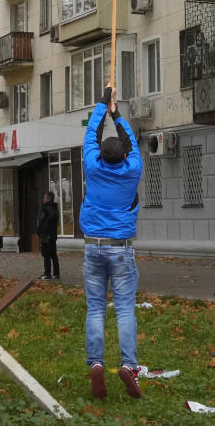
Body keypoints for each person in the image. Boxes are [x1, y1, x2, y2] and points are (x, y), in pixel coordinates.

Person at [80, 84, 143, 400]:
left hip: (93, 246)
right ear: (124, 156)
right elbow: (131, 142)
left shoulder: (92, 165)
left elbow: (90, 135)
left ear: (102, 155)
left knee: (95, 309)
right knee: (125, 309)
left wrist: (101, 104)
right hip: (121, 249)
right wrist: (117, 114)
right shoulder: (133, 169)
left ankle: (95, 365)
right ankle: (129, 366)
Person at [37, 191, 60, 280]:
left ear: (48, 198)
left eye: (44, 197)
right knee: (53, 254)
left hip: (45, 235)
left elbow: (42, 222)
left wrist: (39, 231)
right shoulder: (55, 209)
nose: (43, 199)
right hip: (53, 235)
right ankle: (56, 273)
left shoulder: (46, 209)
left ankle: (47, 274)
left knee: (46, 254)